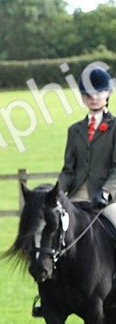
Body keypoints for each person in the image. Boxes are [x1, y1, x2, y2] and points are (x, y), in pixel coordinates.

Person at [57, 66, 116, 226]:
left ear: (108, 93)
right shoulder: (74, 130)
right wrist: (55, 192)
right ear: (83, 97)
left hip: (107, 198)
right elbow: (69, 170)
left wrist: (106, 192)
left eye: (99, 92)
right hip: (77, 196)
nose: (94, 97)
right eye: (88, 94)